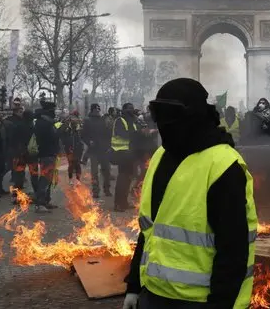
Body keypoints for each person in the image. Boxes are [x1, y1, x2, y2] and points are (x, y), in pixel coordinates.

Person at [122, 78, 257, 309]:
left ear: (193, 115)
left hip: (201, 301)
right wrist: (134, 285)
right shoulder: (159, 157)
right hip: (153, 294)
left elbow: (233, 250)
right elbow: (149, 231)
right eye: (158, 114)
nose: (163, 124)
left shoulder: (224, 165)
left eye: (169, 115)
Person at [34, 101, 61, 213]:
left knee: (48, 179)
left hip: (50, 153)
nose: (55, 112)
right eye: (54, 110)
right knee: (45, 179)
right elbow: (51, 138)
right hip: (46, 154)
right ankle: (40, 204)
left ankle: (45, 201)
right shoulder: (43, 123)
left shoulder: (46, 122)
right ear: (50, 111)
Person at [111, 103, 138, 212]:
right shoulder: (119, 121)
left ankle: (124, 202)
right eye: (129, 109)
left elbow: (135, 135)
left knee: (128, 179)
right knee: (122, 179)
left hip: (130, 154)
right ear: (125, 110)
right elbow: (123, 134)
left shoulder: (132, 121)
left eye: (132, 108)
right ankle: (118, 204)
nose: (131, 111)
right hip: (121, 153)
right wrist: (138, 133)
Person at [82, 104, 112, 198]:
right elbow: (83, 135)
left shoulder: (103, 120)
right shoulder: (87, 121)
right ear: (93, 109)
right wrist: (88, 141)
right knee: (95, 172)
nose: (98, 110)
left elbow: (109, 134)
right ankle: (96, 191)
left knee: (106, 171)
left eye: (99, 109)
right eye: (97, 108)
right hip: (94, 150)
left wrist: (108, 145)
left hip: (103, 149)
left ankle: (106, 189)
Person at [60, 110, 84, 185]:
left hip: (78, 148)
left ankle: (78, 180)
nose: (75, 121)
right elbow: (62, 135)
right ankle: (70, 179)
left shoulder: (80, 127)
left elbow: (83, 136)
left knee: (77, 163)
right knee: (71, 163)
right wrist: (65, 144)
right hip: (69, 147)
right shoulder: (66, 127)